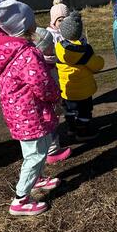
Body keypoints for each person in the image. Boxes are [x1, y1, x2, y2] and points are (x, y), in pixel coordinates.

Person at [0, 0, 61, 216]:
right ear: (26, 26)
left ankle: (36, 179)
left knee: (36, 151)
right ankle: (20, 199)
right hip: (30, 114)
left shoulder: (7, 51)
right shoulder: (28, 54)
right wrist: (56, 96)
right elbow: (42, 83)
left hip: (19, 114)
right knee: (35, 155)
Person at [56, 11, 104, 141]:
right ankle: (82, 132)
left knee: (70, 110)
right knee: (84, 112)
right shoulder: (85, 50)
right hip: (83, 90)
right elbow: (97, 65)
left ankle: (71, 128)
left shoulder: (59, 48)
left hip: (66, 89)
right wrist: (100, 59)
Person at [33, 27, 71, 164]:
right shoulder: (41, 64)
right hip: (49, 100)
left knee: (53, 123)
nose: (53, 46)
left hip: (54, 97)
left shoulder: (48, 60)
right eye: (50, 45)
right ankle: (52, 152)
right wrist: (54, 97)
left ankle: (52, 148)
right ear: (42, 48)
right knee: (51, 125)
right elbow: (43, 85)